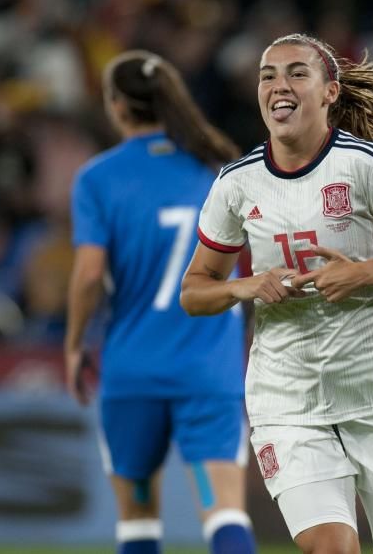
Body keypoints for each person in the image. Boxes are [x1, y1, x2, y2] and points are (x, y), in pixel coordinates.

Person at [180, 33, 373, 554]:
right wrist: (247, 285)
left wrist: (364, 273)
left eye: (296, 73)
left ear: (330, 91)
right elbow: (194, 292)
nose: (278, 86)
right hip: (288, 399)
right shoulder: (236, 184)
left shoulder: (369, 164)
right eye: (268, 75)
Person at [65, 50, 257, 554]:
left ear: (116, 106)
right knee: (225, 513)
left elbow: (88, 276)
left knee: (137, 522)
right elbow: (251, 267)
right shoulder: (219, 169)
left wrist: (73, 344)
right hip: (209, 370)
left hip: (132, 370)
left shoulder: (97, 178)